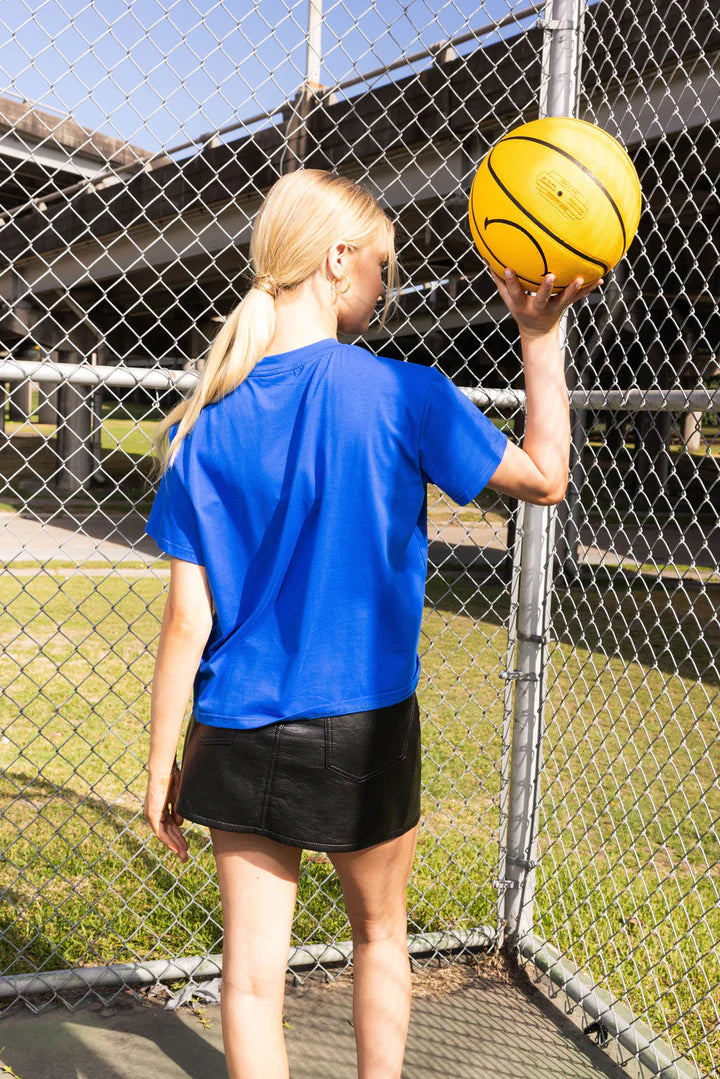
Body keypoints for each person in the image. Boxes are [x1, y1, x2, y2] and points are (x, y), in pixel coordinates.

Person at [142, 167, 602, 1079]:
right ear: (337, 260)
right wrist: (540, 336)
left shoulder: (204, 426)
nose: (387, 287)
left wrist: (161, 762)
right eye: (383, 267)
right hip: (366, 726)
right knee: (380, 935)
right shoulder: (407, 393)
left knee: (251, 983)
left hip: (235, 731)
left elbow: (188, 619)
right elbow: (547, 477)